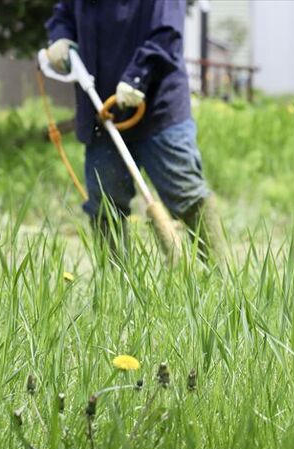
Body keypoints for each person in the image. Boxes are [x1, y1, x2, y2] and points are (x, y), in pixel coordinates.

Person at [45, 0, 223, 261]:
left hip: (159, 111)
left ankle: (220, 278)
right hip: (102, 113)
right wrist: (60, 38)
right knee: (105, 205)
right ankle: (117, 288)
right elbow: (63, 14)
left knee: (186, 195)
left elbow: (167, 32)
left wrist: (137, 77)